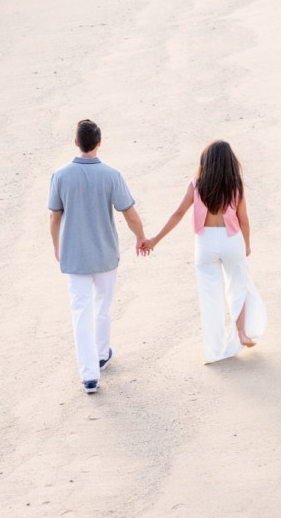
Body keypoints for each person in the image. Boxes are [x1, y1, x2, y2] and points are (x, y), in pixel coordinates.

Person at [142, 141, 266, 363]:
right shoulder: (236, 185)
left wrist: (155, 240)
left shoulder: (196, 184)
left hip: (205, 243)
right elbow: (244, 220)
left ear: (205, 162)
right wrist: (246, 245)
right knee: (239, 286)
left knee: (210, 297)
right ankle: (241, 333)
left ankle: (215, 350)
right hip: (231, 240)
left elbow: (178, 213)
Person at [48, 119, 147, 394]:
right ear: (99, 143)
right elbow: (130, 214)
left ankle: (89, 375)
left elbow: (54, 218)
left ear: (76, 142)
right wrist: (141, 238)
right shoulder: (112, 175)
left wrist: (57, 246)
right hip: (105, 254)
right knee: (103, 306)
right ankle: (102, 355)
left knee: (81, 312)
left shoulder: (60, 176)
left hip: (75, 256)